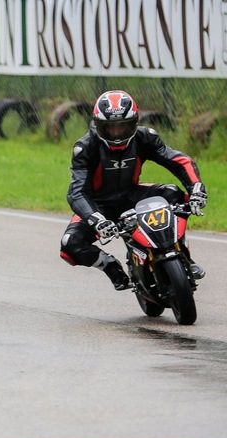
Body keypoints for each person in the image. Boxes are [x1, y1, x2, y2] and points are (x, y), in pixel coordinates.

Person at [59, 90, 208, 290]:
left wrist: (196, 188)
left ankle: (183, 256)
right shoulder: (85, 147)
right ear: (98, 125)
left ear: (135, 122)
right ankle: (111, 266)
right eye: (110, 128)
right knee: (70, 245)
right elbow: (77, 192)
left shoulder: (145, 137)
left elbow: (179, 161)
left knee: (174, 194)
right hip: (99, 206)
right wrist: (96, 219)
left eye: (123, 126)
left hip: (132, 194)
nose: (117, 134)